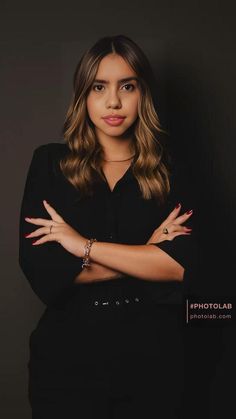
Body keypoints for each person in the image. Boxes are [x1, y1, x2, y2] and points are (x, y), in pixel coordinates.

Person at [19, 35, 198, 419]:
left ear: (142, 94)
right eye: (99, 87)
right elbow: (43, 271)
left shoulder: (171, 170)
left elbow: (179, 267)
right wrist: (146, 253)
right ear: (84, 95)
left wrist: (81, 245)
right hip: (67, 366)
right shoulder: (50, 164)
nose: (113, 102)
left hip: (154, 364)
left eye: (127, 86)